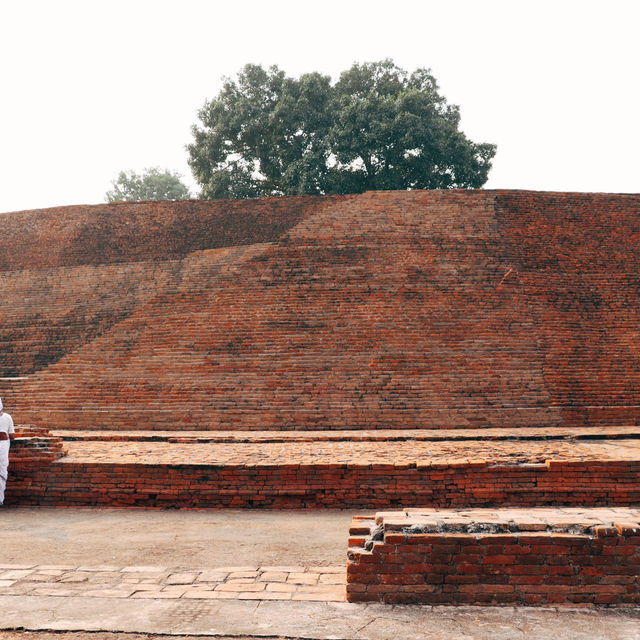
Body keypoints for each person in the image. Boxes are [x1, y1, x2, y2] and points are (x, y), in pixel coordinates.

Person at [0, 398, 15, 506]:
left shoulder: (7, 417)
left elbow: (11, 435)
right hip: (3, 444)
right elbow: (12, 436)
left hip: (3, 446)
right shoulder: (7, 417)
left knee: (1, 472)